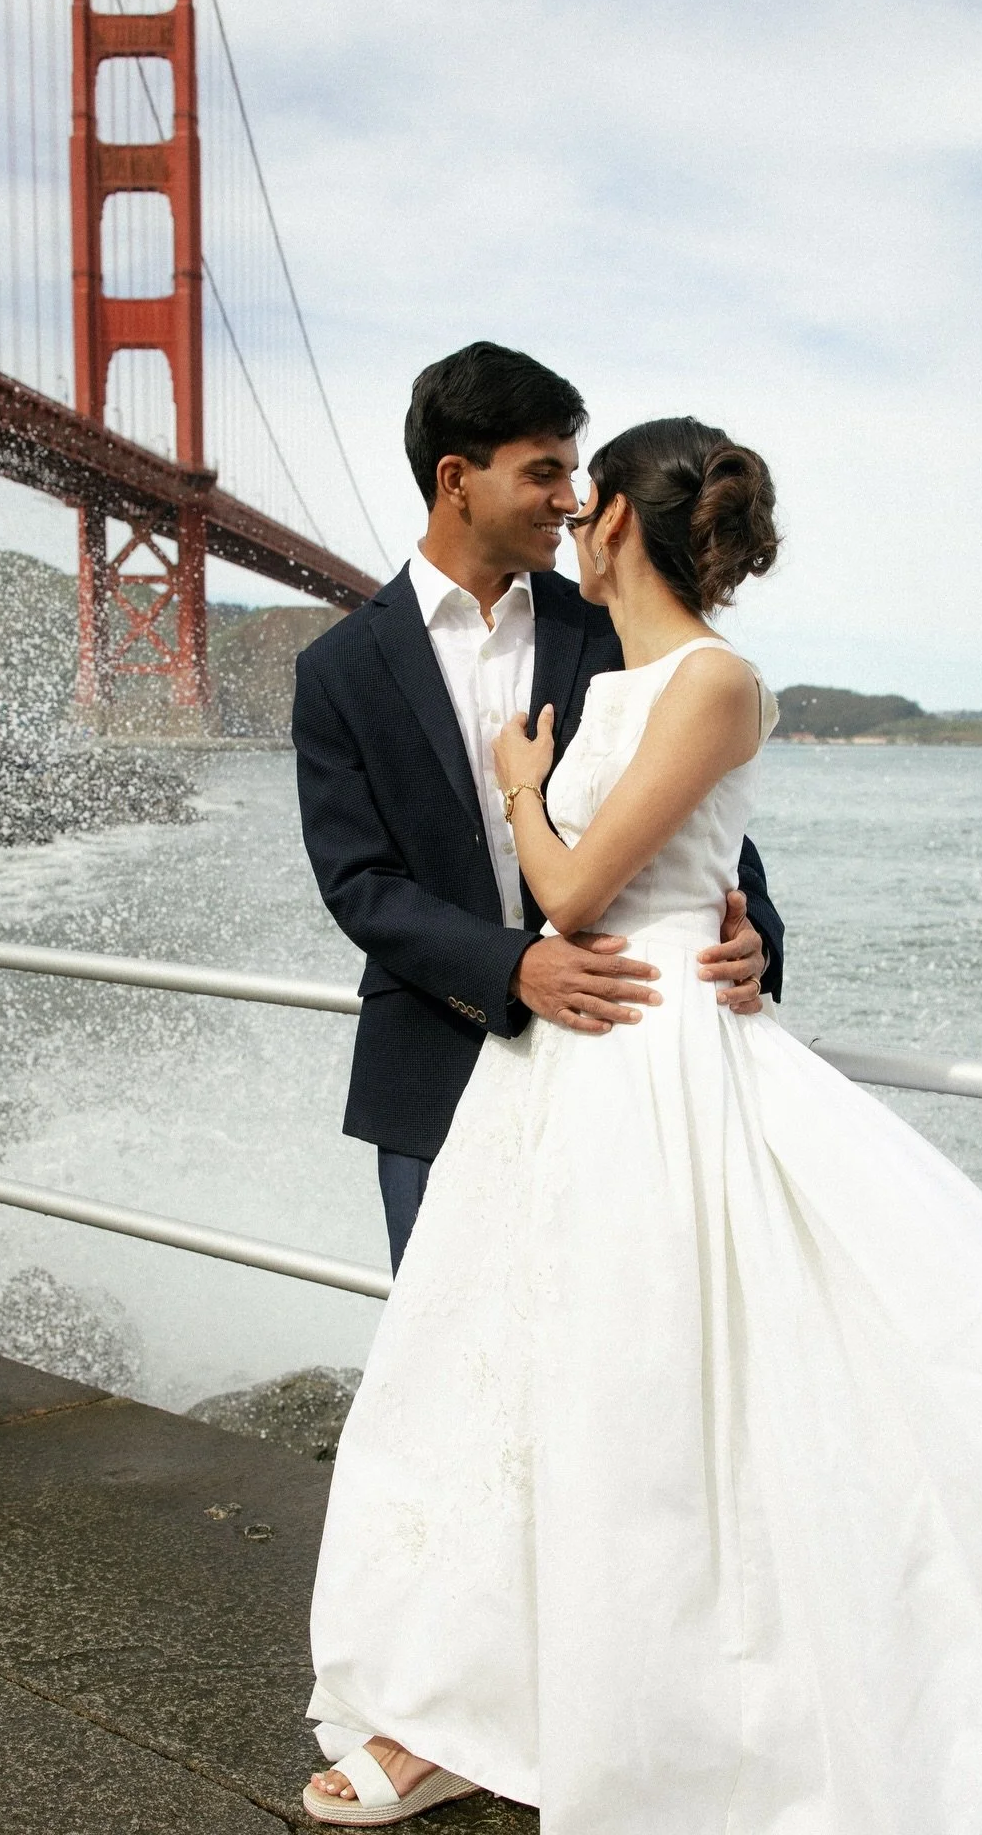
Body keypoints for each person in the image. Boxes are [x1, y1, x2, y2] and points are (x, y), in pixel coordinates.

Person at [304, 417, 982, 1833]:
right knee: (522, 1389)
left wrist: (552, 813)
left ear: (626, 530)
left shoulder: (706, 678)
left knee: (670, 1403)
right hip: (558, 1079)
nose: (575, 513)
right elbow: (480, 879)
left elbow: (593, 892)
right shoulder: (590, 676)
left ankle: (690, 1718)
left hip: (658, 1071)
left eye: (592, 496)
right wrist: (575, 849)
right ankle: (479, 1704)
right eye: (551, 480)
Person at [292, 343, 784, 1275]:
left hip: (625, 1060)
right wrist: (515, 967)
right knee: (450, 1355)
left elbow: (702, 814)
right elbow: (359, 885)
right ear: (456, 480)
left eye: (575, 471)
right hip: (434, 1058)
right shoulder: (339, 669)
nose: (571, 500)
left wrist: (755, 929)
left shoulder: (609, 623)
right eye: (544, 472)